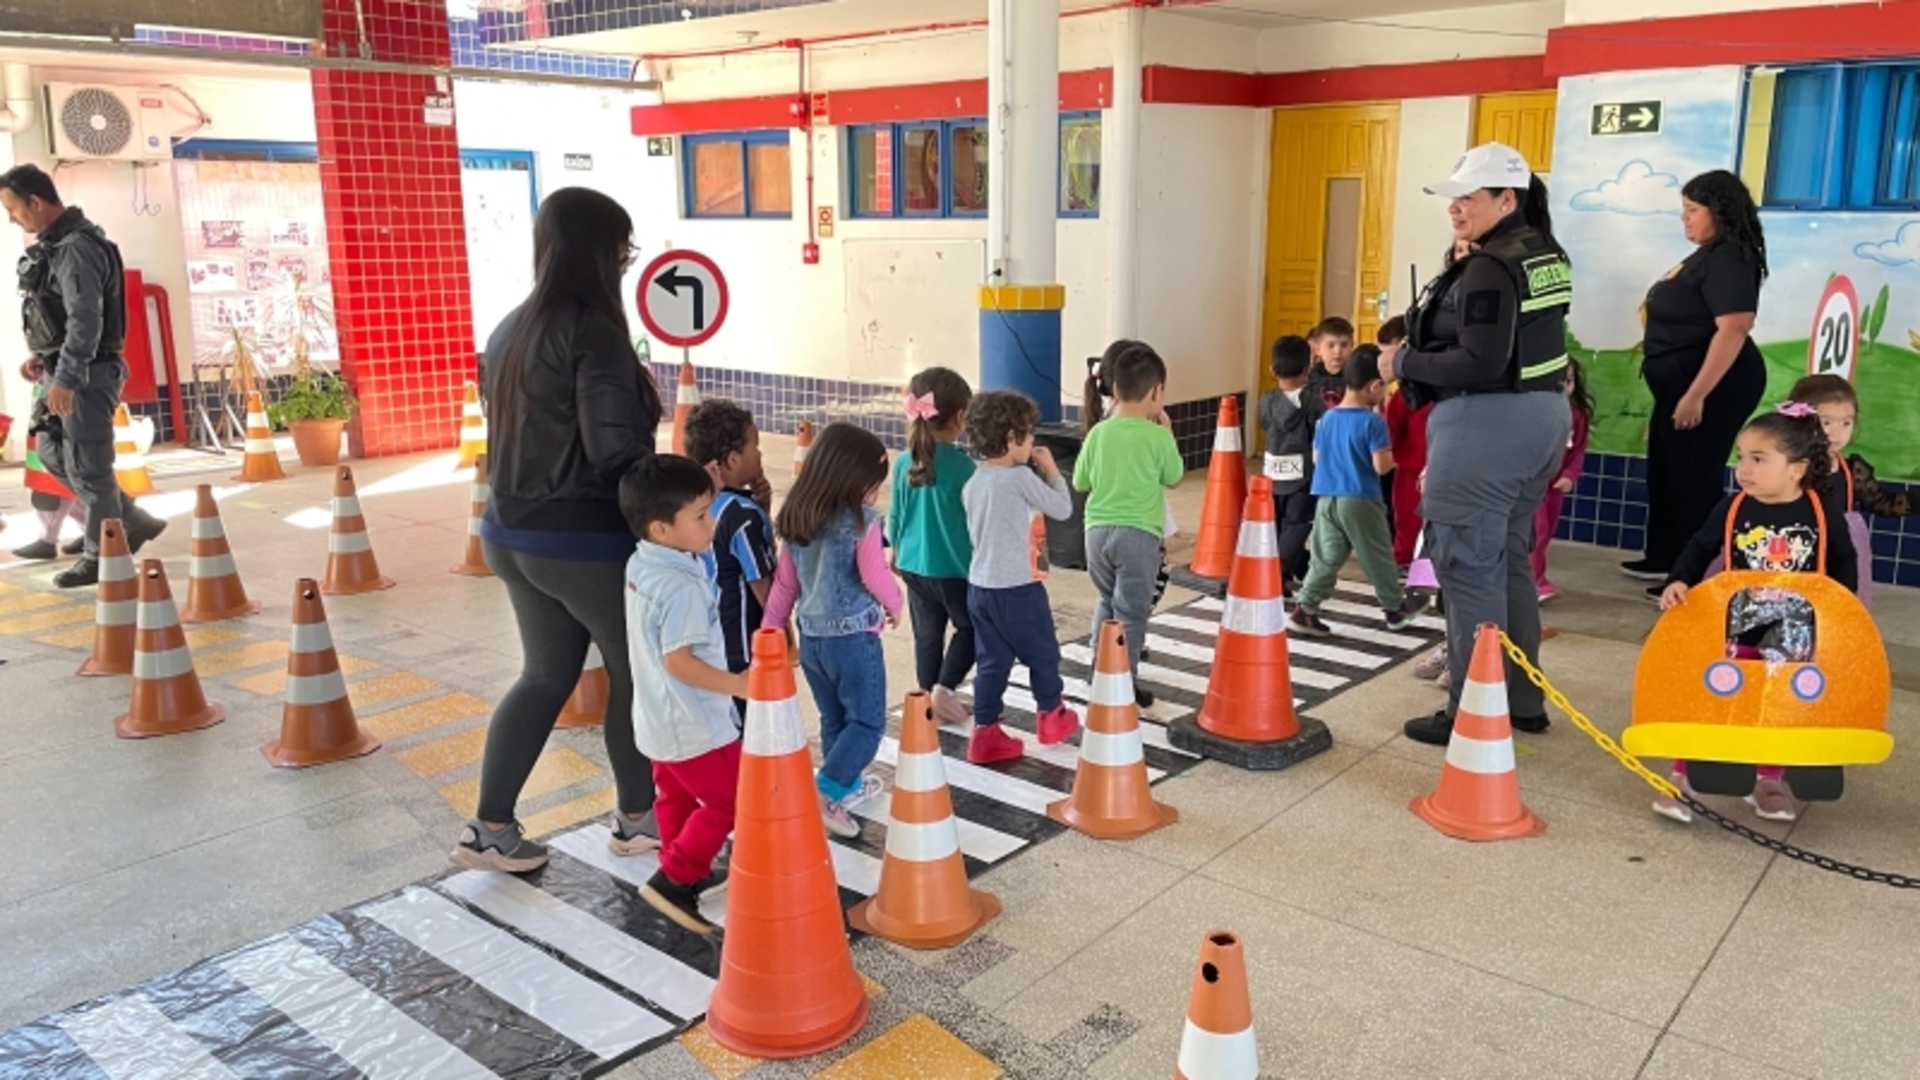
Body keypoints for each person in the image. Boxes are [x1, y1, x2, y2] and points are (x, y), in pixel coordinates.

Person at [452, 188, 662, 873]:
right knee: (635, 672)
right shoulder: (592, 331)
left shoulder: (509, 328)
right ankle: (638, 818)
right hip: (582, 538)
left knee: (544, 674)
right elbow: (613, 453)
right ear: (598, 252)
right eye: (622, 251)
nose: (626, 264)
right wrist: (678, 499)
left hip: (508, 531)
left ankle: (490, 828)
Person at [1385, 142, 1573, 747]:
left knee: (1468, 571)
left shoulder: (1492, 266)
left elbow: (1481, 361)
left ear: (1506, 198)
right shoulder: (1545, 252)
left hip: (1487, 427)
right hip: (1543, 418)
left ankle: (1471, 710)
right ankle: (1520, 702)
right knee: (1508, 564)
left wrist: (1404, 359)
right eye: (1454, 197)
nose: (1456, 208)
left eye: (1470, 197)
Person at [1652, 405, 1856, 824]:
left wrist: (1840, 607)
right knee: (1718, 698)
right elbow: (1699, 547)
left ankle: (1768, 780)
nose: (1743, 468)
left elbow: (1843, 559)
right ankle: (1684, 778)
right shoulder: (1733, 507)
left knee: (1781, 705)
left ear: (1797, 469)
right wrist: (1679, 580)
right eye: (1741, 457)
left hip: (1794, 630)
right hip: (1735, 625)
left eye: (1758, 459)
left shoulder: (1819, 511)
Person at [1, 164, 165, 585]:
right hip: (63, 369)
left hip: (86, 375)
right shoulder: (57, 247)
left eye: (13, 209)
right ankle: (130, 520)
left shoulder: (77, 247)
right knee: (56, 454)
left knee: (90, 468)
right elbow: (58, 313)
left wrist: (68, 377)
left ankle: (102, 557)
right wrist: (43, 358)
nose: (12, 218)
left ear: (35, 202)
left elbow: (85, 319)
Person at [1622, 170, 1770, 593]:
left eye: (1692, 210)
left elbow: (1734, 329)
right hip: (1679, 382)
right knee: (1667, 472)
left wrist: (1695, 395)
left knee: (1694, 476)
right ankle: (1666, 557)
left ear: (1718, 212)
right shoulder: (1704, 255)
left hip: (1713, 383)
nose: (1684, 219)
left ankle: (1696, 575)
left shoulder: (1730, 256)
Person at [619, 455, 746, 935]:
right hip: (695, 723)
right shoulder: (680, 588)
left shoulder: (643, 561)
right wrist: (737, 684)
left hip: (656, 718)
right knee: (731, 801)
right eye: (699, 516)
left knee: (673, 796)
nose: (710, 524)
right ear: (661, 528)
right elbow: (680, 660)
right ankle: (675, 878)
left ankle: (681, 874)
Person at [762, 422, 903, 839]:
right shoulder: (863, 522)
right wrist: (895, 604)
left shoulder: (798, 518)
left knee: (834, 717)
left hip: (813, 643)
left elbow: (785, 584)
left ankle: (849, 784)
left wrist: (771, 629)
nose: (875, 494)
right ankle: (823, 791)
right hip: (855, 641)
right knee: (867, 722)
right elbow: (874, 574)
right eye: (873, 485)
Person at [962, 390, 1080, 764]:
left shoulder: (974, 483)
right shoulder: (1017, 478)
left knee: (992, 661)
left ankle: (985, 732)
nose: (1033, 444)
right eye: (1029, 437)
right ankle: (1051, 714)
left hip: (980, 588)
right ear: (1012, 439)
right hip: (1018, 589)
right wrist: (1050, 472)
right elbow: (1061, 508)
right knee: (1043, 653)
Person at [1288, 347, 1432, 637]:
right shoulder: (1372, 422)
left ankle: (1306, 608)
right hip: (1360, 499)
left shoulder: (1328, 419)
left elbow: (1317, 458)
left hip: (1326, 498)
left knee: (1326, 557)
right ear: (1374, 386)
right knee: (1377, 553)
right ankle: (1395, 608)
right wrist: (1398, 454)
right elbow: (1381, 466)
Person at [1073, 341, 1185, 707]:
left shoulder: (1098, 433)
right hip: (1138, 537)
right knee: (1132, 615)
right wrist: (1167, 434)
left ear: (1114, 389)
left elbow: (1080, 482)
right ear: (1156, 392)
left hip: (1095, 535)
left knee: (1108, 601)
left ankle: (1098, 667)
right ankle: (1123, 681)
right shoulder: (1157, 436)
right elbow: (1175, 476)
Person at [888, 367, 977, 727]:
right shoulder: (964, 467)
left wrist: (895, 551)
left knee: (928, 634)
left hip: (912, 565)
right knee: (972, 628)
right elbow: (974, 522)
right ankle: (945, 687)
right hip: (954, 568)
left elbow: (894, 515)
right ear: (959, 418)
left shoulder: (903, 461)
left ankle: (926, 697)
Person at [683, 398, 775, 724]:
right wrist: (785, 636)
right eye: (756, 447)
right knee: (753, 728)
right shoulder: (743, 515)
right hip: (741, 646)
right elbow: (763, 585)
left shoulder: (695, 506)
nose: (760, 455)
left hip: (706, 637)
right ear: (733, 459)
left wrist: (763, 505)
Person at [1786, 374, 1912, 606]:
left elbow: (1885, 503)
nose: (1837, 432)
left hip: (1840, 559)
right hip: (1795, 555)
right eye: (1826, 422)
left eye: (1846, 422)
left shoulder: (1851, 469)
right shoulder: (1787, 466)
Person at [1258, 334, 1324, 591]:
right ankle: (1277, 572)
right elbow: (1320, 430)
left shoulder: (1267, 400)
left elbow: (1263, 423)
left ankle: (1288, 570)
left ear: (1272, 370)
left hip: (1272, 471)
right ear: (1308, 369)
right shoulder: (1311, 400)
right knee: (1297, 524)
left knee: (1276, 524)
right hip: (1303, 472)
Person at [11, 357, 87, 561]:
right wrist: (33, 366)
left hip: (60, 422)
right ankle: (94, 530)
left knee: (56, 486)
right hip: (49, 422)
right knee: (66, 486)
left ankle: (48, 539)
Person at [1533, 357, 1594, 602]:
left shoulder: (1576, 416)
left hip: (1555, 487)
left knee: (1546, 533)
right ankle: (1534, 581)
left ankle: (1537, 578)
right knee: (1537, 532)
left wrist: (1570, 475)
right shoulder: (1536, 416)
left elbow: (1578, 450)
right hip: (1532, 486)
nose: (1563, 390)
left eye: (1567, 382)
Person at [1380, 317, 1429, 569]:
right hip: (1410, 475)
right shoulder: (1403, 397)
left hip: (1433, 474)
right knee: (1408, 527)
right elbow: (1388, 435)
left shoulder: (1408, 396)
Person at [1305, 317, 1356, 412]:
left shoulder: (1356, 378)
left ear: (1352, 347)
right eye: (1331, 345)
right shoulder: (1310, 378)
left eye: (1344, 345)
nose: (1337, 351)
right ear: (1318, 349)